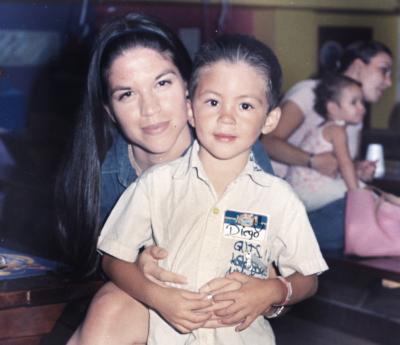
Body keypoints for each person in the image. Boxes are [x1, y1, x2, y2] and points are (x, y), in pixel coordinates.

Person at [57, 13, 274, 345]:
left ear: (189, 87)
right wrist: (138, 266)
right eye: (126, 94)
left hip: (222, 314)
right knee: (108, 310)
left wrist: (269, 289)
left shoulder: (238, 151)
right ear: (109, 110)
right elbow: (99, 264)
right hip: (138, 305)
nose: (150, 108)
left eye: (162, 83)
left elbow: (274, 275)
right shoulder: (101, 176)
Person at [98, 33, 328, 345]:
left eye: (245, 105)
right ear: (191, 109)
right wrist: (157, 296)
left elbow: (308, 277)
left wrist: (275, 290)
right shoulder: (156, 184)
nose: (227, 117)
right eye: (213, 102)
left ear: (270, 120)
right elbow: (113, 257)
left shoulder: (280, 198)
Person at [261, 40, 393, 250]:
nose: (389, 82)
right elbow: (267, 141)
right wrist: (312, 161)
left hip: (320, 203)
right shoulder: (309, 92)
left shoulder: (352, 116)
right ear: (359, 66)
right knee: (370, 218)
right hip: (285, 205)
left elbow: (339, 165)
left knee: (378, 214)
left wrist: (358, 168)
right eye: (384, 70)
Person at [286, 74, 365, 211]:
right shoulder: (337, 131)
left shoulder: (324, 128)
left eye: (362, 102)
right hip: (311, 191)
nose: (362, 108)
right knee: (366, 193)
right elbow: (345, 163)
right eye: (354, 103)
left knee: (362, 189)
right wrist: (357, 195)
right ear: (333, 108)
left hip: (298, 190)